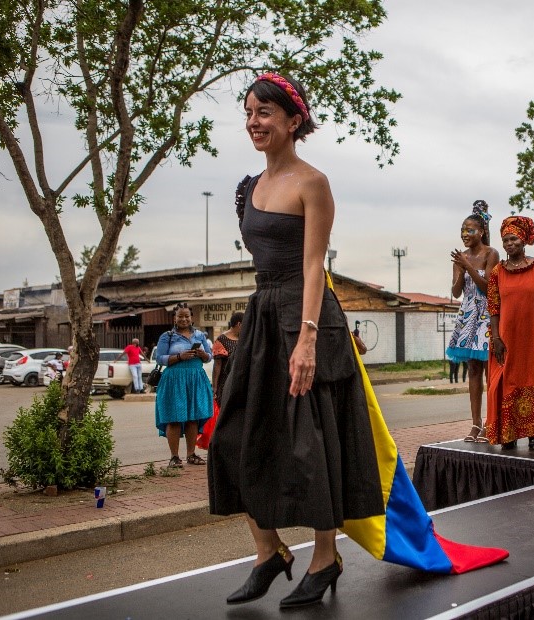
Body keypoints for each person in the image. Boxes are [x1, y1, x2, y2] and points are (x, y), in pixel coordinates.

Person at [207, 73, 386, 609]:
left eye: (264, 112)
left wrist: (306, 339)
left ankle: (325, 557)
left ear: (292, 120)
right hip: (263, 317)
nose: (254, 123)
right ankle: (268, 551)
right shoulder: (250, 188)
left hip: (306, 320)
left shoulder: (313, 182)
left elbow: (313, 267)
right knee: (231, 438)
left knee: (313, 445)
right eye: (248, 113)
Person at [486, 215, 534, 450]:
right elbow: (494, 307)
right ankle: (509, 434)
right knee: (508, 381)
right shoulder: (498, 272)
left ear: (524, 240)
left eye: (514, 239)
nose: (509, 244)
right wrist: (496, 338)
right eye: (506, 240)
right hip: (507, 338)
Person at [447, 200, 499, 441]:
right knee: (473, 371)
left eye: (470, 230)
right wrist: (460, 267)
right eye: (462, 230)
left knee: (491, 372)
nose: (465, 234)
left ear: (482, 232)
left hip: (488, 316)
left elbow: (489, 288)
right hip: (468, 317)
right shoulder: (462, 257)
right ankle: (475, 424)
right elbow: (457, 292)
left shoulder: (491, 254)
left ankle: (492, 422)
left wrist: (467, 265)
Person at [154, 303, 213, 469]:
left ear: (191, 317)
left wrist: (202, 354)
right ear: (175, 318)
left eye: (186, 316)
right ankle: (174, 457)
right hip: (174, 380)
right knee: (174, 417)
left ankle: (191, 454)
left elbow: (209, 357)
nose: (184, 319)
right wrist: (179, 357)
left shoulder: (200, 335)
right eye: (180, 316)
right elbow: (160, 358)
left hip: (196, 378)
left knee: (193, 417)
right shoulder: (167, 336)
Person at [197, 312, 243, 452]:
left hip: (241, 382)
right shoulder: (222, 340)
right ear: (239, 324)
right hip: (226, 383)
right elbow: (217, 366)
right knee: (226, 414)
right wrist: (215, 387)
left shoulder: (245, 338)